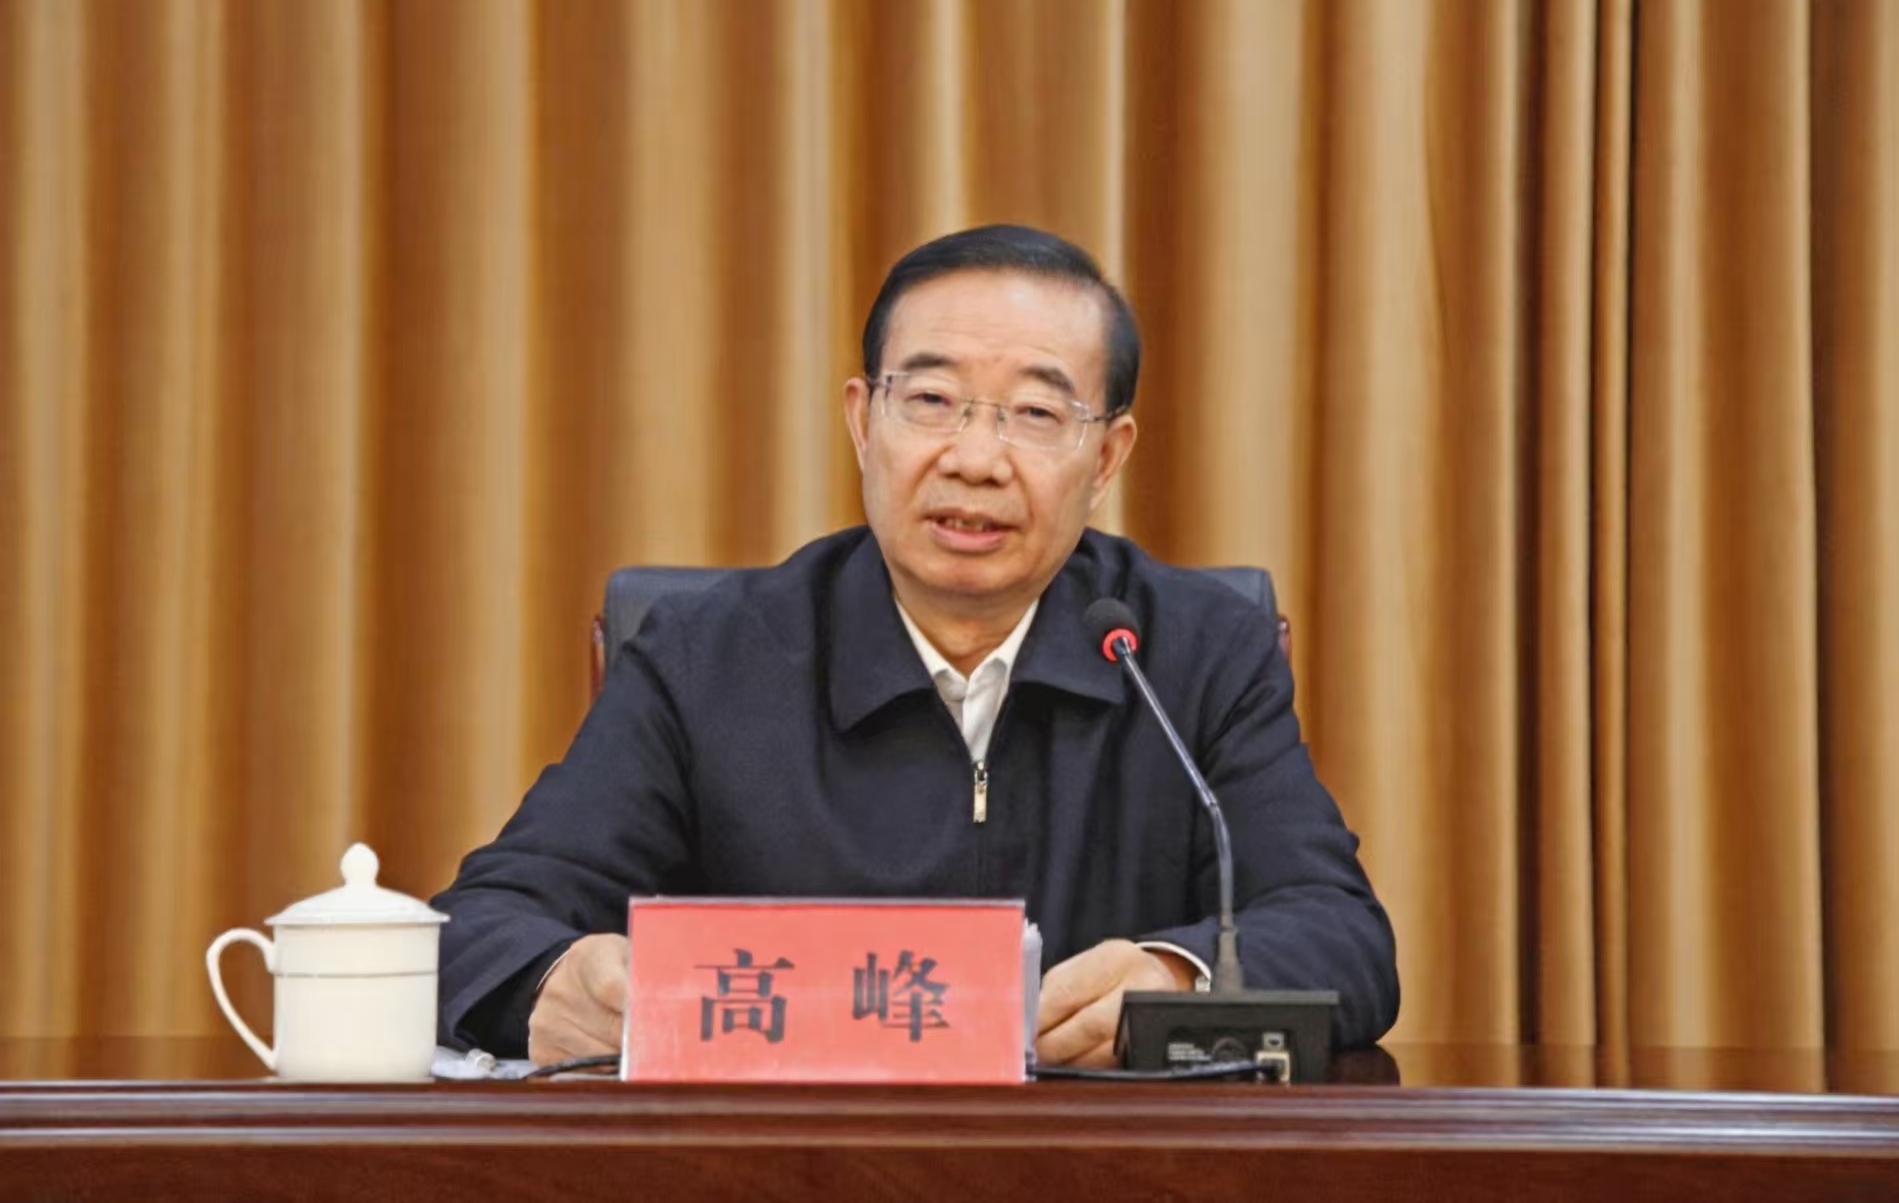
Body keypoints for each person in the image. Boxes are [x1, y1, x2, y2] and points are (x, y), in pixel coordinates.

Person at [433, 225, 1398, 1066]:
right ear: (864, 422)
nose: (974, 459)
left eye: (1036, 414)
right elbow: (479, 926)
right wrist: (553, 982)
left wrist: (1179, 981)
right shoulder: (707, 659)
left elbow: (1338, 933)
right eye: (931, 400)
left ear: (1105, 457)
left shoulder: (1190, 654)